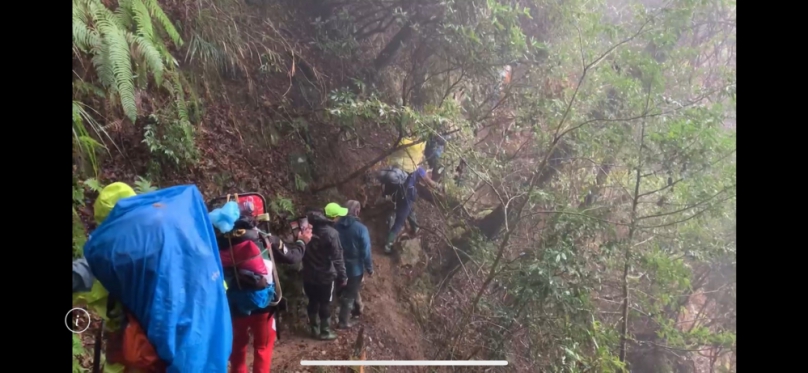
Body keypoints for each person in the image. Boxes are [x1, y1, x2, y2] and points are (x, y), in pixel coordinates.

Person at [218, 208, 310, 373]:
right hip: (264, 306)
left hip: (234, 304)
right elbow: (292, 257)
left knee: (238, 349)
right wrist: (302, 242)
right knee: (263, 348)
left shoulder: (220, 242)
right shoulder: (264, 238)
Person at [301, 203, 348, 340]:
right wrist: (343, 276)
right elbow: (338, 258)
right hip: (325, 276)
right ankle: (325, 331)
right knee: (325, 302)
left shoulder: (307, 229)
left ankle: (313, 329)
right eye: (338, 216)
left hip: (308, 275)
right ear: (334, 218)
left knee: (312, 301)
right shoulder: (332, 234)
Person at [333, 200, 373, 329]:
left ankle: (356, 309)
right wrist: (369, 267)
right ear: (357, 211)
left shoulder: (336, 226)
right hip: (354, 268)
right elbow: (365, 250)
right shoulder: (361, 229)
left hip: (337, 265)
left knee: (341, 290)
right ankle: (343, 322)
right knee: (349, 294)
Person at [384, 165, 440, 254]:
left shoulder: (415, 180)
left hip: (402, 195)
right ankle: (387, 246)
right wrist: (437, 186)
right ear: (428, 172)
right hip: (406, 198)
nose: (430, 177)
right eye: (430, 175)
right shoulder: (420, 170)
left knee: (410, 211)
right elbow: (428, 181)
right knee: (399, 222)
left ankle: (415, 228)